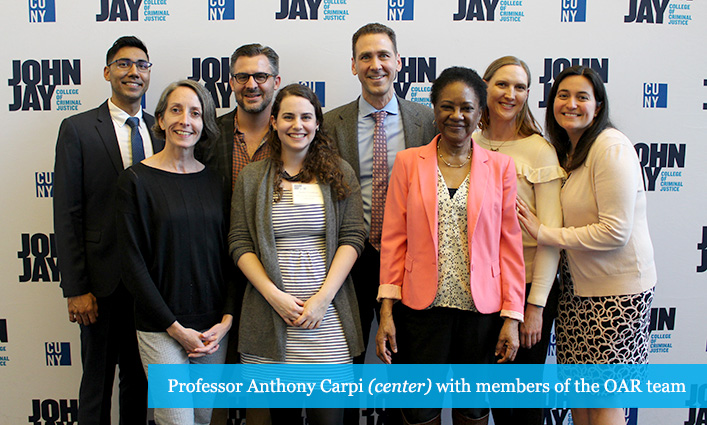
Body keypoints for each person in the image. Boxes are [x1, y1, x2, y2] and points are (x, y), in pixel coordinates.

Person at [376, 66, 526, 425]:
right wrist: (386, 311)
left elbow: (510, 247)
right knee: (418, 409)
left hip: (482, 312)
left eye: (467, 108)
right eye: (447, 106)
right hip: (420, 310)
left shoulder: (501, 167)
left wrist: (512, 317)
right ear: (433, 108)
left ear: (480, 113)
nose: (456, 116)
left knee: (472, 410)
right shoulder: (409, 162)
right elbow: (394, 240)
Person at [516, 65, 657, 425]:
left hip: (615, 299)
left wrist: (544, 233)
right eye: (563, 95)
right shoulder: (572, 150)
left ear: (598, 105)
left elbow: (615, 231)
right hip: (578, 296)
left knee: (604, 401)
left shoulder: (610, 148)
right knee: (580, 399)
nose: (571, 104)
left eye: (582, 97)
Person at [229, 84, 366, 425]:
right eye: (288, 116)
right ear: (273, 122)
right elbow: (239, 242)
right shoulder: (252, 177)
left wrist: (323, 299)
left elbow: (353, 236)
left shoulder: (339, 173)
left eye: (306, 117)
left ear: (318, 123)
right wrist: (274, 296)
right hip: (271, 315)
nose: (297, 125)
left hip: (326, 318)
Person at [53, 35, 163, 425]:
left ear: (149, 74)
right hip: (100, 285)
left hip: (150, 284)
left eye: (142, 65)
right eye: (123, 64)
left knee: (140, 382)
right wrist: (76, 288)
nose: (134, 72)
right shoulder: (78, 129)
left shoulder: (162, 130)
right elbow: (67, 214)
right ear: (107, 72)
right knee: (96, 383)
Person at [117, 79, 234, 425]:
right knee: (176, 420)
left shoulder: (216, 182)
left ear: (205, 122)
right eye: (177, 110)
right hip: (160, 326)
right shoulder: (135, 181)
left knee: (201, 417)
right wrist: (175, 328)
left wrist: (226, 319)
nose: (186, 120)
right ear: (162, 119)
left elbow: (229, 255)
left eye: (196, 113)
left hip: (212, 326)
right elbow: (132, 263)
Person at [323, 22, 436, 367]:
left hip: (409, 258)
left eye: (384, 55)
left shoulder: (427, 121)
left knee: (407, 358)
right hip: (351, 257)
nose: (376, 64)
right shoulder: (330, 124)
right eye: (366, 56)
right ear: (353, 65)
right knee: (348, 356)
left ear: (399, 61)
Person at [474, 56, 564, 425]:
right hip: (481, 292)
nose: (510, 94)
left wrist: (536, 306)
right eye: (502, 84)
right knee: (493, 395)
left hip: (528, 289)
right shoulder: (470, 141)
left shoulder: (539, 150)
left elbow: (550, 237)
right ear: (485, 85)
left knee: (523, 402)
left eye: (521, 87)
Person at [194, 42, 281, 425]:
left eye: (260, 76)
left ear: (276, 81)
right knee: (213, 390)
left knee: (268, 390)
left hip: (278, 277)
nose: (251, 84)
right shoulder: (206, 136)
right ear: (230, 82)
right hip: (212, 274)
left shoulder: (295, 134)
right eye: (242, 76)